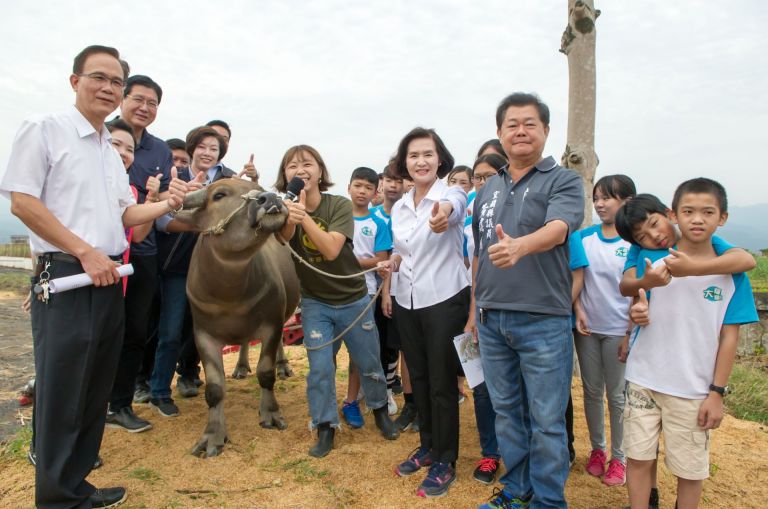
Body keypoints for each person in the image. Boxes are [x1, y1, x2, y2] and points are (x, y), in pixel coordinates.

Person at [0, 44, 187, 509]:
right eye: (98, 77)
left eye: (115, 81)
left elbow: (125, 214)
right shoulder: (45, 130)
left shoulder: (108, 149)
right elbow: (22, 202)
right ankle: (56, 496)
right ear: (74, 81)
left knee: (93, 388)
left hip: (106, 276)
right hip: (66, 275)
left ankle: (76, 484)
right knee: (63, 387)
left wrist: (169, 204)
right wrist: (83, 252)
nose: (107, 88)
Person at [470, 93, 584, 509]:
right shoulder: (489, 188)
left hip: (543, 321)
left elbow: (558, 228)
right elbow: (479, 254)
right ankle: (517, 491)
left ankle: (549, 501)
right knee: (506, 413)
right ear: (500, 133)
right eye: (512, 124)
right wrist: (475, 311)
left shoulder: (563, 180)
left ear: (545, 132)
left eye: (529, 123)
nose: (520, 130)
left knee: (548, 421)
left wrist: (521, 247)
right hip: (492, 319)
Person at [615, 179, 758, 509]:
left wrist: (716, 392)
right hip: (643, 379)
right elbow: (634, 297)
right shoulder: (654, 263)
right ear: (676, 213)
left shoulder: (730, 272)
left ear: (721, 217)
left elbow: (729, 337)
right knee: (637, 458)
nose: (697, 219)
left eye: (707, 212)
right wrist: (636, 311)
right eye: (688, 212)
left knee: (689, 471)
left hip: (693, 390)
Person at [277, 145, 399, 458]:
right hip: (315, 303)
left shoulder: (338, 206)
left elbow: (331, 250)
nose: (300, 169)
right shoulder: (284, 210)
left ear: (320, 171)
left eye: (307, 163)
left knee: (369, 362)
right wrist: (290, 215)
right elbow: (282, 238)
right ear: (284, 175)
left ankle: (380, 410)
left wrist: (303, 218)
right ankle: (325, 425)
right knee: (319, 368)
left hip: (353, 299)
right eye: (292, 165)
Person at [378, 127, 470, 498]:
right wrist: (393, 263)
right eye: (413, 155)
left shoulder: (450, 192)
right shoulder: (399, 207)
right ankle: (429, 447)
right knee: (418, 375)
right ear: (404, 163)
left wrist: (443, 215)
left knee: (443, 382)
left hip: (445, 299)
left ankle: (446, 459)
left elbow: (455, 207)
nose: (421, 161)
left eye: (428, 154)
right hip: (406, 298)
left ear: (440, 159)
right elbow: (405, 250)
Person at [108, 74, 173, 432]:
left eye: (152, 103)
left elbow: (155, 202)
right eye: (138, 99)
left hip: (143, 251)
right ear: (122, 98)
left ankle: (120, 404)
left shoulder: (160, 150)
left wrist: (173, 196)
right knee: (96, 332)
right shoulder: (100, 135)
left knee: (135, 330)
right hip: (98, 253)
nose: (144, 108)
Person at [148, 126, 227, 416]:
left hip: (212, 273)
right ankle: (159, 391)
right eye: (203, 147)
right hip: (178, 269)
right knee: (169, 331)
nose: (208, 153)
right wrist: (200, 222)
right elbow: (161, 222)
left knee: (206, 331)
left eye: (214, 149)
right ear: (192, 148)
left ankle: (200, 380)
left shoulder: (224, 184)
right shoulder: (177, 178)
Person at [569, 174, 636, 488]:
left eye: (608, 197)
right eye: (596, 197)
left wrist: (628, 333)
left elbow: (640, 293)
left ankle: (620, 458)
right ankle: (598, 450)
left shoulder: (634, 242)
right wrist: (578, 311)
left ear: (627, 202)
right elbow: (578, 280)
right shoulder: (584, 237)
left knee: (618, 397)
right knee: (592, 392)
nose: (600, 203)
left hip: (619, 330)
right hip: (587, 328)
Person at [463, 152, 506, 486]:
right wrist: (473, 313)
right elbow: (476, 257)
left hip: (522, 313)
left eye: (490, 175)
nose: (482, 183)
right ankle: (490, 453)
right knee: (482, 388)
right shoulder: (476, 209)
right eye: (478, 177)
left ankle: (521, 456)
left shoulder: (523, 201)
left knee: (517, 392)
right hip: (481, 308)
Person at [341, 166, 394, 427]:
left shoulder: (378, 223)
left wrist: (351, 261)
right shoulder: (337, 216)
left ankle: (351, 401)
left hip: (365, 294)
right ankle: (325, 408)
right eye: (358, 185)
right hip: (331, 291)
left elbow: (381, 264)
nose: (362, 191)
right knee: (325, 356)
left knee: (359, 355)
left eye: (368, 188)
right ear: (348, 187)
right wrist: (363, 261)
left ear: (376, 192)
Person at [206, 119, 260, 184]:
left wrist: (254, 178)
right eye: (215, 136)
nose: (219, 142)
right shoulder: (190, 169)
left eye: (224, 139)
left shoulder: (232, 177)